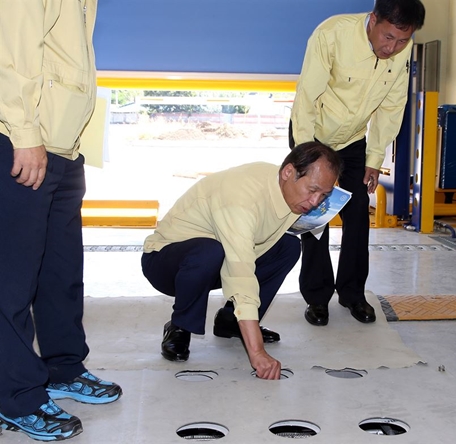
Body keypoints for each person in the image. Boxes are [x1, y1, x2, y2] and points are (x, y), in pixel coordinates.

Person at [0, 1, 123, 441]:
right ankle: (15, 396)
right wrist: (25, 135)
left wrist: (69, 147)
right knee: (12, 281)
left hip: (62, 149)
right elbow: (9, 54)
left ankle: (64, 368)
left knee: (61, 274)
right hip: (24, 143)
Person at [140, 142, 342, 380]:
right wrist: (257, 352)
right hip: (167, 262)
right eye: (312, 190)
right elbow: (241, 273)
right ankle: (180, 325)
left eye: (324, 195)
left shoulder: (287, 188)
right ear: (288, 172)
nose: (316, 201)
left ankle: (231, 322)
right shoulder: (240, 197)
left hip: (218, 257)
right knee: (209, 251)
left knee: (287, 247)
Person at [289, 0, 425, 327]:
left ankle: (352, 294)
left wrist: (375, 158)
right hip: (314, 134)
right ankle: (317, 298)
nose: (392, 47)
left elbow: (393, 105)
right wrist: (306, 155)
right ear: (373, 19)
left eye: (402, 41)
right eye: (388, 37)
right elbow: (307, 97)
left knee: (357, 212)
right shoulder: (332, 34)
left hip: (352, 140)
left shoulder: (402, 49)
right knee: (315, 215)